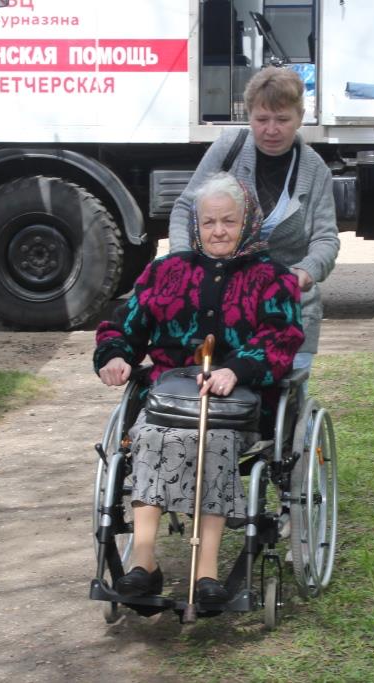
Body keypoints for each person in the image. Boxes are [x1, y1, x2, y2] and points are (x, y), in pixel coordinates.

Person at [95, 173, 304, 604]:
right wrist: (115, 355)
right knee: (150, 437)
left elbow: (282, 339)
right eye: (209, 223)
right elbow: (124, 328)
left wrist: (238, 370)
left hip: (237, 407)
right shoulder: (165, 272)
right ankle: (143, 563)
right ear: (196, 225)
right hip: (169, 401)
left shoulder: (272, 277)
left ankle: (206, 570)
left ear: (248, 222)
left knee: (213, 440)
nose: (219, 231)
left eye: (229, 221)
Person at [169, 66, 339, 376]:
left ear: (300, 118)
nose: (271, 129)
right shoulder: (228, 149)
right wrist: (182, 261)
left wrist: (304, 272)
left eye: (282, 120)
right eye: (262, 119)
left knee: (280, 406)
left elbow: (326, 239)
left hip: (285, 311)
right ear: (249, 116)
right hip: (222, 307)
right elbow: (185, 208)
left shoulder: (315, 170)